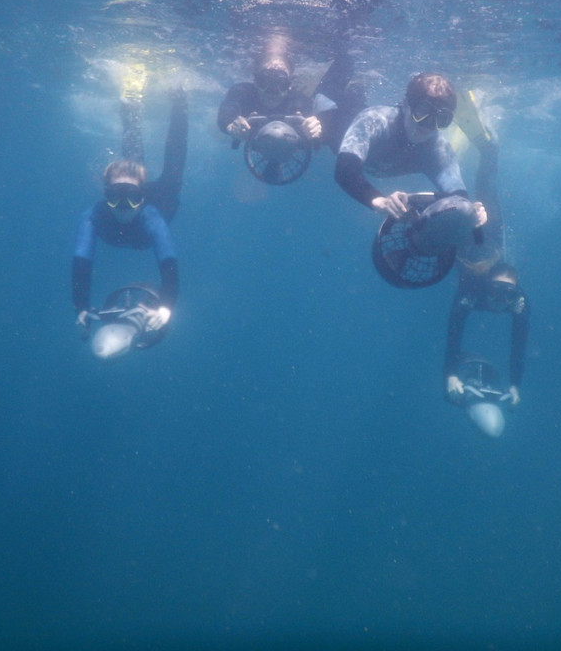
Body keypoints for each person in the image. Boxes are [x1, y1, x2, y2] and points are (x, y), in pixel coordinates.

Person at [71, 83, 187, 340]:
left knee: (173, 163)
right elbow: (81, 265)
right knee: (135, 157)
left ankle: (176, 101)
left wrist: (166, 307)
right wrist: (80, 307)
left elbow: (169, 266)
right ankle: (133, 103)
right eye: (115, 197)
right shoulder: (93, 216)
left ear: (142, 198)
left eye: (132, 198)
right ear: (105, 196)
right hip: (148, 201)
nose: (123, 207)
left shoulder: (152, 216)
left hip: (162, 202)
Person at [443, 91, 530, 406]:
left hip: (462, 243)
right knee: (484, 187)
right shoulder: (475, 291)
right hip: (487, 234)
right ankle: (487, 146)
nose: (501, 299)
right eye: (500, 291)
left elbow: (518, 344)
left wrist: (515, 384)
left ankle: (451, 154)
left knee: (450, 196)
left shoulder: (517, 301)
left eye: (508, 295)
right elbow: (455, 332)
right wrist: (451, 373)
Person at [334, 72, 487, 224]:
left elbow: (458, 197)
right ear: (406, 104)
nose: (428, 125)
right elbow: (345, 171)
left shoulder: (439, 149)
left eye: (440, 119)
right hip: (336, 131)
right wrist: (380, 201)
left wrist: (472, 211)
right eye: (422, 112)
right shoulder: (374, 120)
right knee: (348, 101)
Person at [218, 49, 365, 154]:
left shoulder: (299, 101)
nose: (272, 90)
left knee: (327, 100)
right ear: (255, 81)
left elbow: (315, 126)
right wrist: (230, 126)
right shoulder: (242, 92)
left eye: (280, 83)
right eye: (265, 81)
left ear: (289, 84)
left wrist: (316, 130)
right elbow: (227, 111)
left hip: (292, 142)